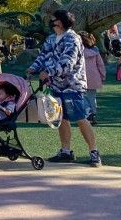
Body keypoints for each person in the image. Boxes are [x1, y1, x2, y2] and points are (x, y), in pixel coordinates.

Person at [27, 9, 102, 166]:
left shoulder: (72, 39)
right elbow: (43, 56)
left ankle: (94, 151)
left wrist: (48, 72)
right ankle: (66, 151)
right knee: (61, 118)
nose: (51, 21)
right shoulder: (51, 39)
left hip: (72, 86)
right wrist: (33, 68)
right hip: (55, 85)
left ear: (60, 22)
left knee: (80, 118)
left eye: (53, 19)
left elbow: (68, 63)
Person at [80, 31, 106, 125]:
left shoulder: (78, 51)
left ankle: (88, 112)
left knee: (80, 96)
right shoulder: (95, 50)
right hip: (94, 77)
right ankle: (93, 114)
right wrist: (103, 75)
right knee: (92, 97)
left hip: (81, 77)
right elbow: (100, 64)